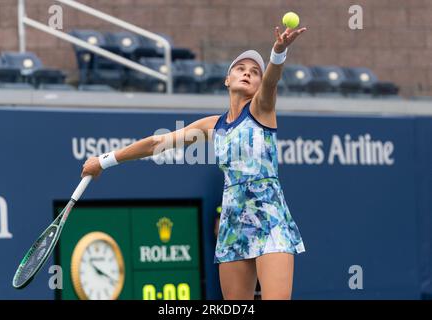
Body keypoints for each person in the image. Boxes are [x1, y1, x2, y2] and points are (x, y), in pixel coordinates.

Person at [81, 24, 307, 300]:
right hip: (233, 221)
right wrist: (104, 161)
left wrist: (278, 51)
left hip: (270, 219)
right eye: (240, 68)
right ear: (227, 80)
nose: (248, 72)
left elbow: (272, 81)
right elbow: (156, 144)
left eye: (254, 71)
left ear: (259, 84)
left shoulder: (262, 109)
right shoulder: (212, 125)